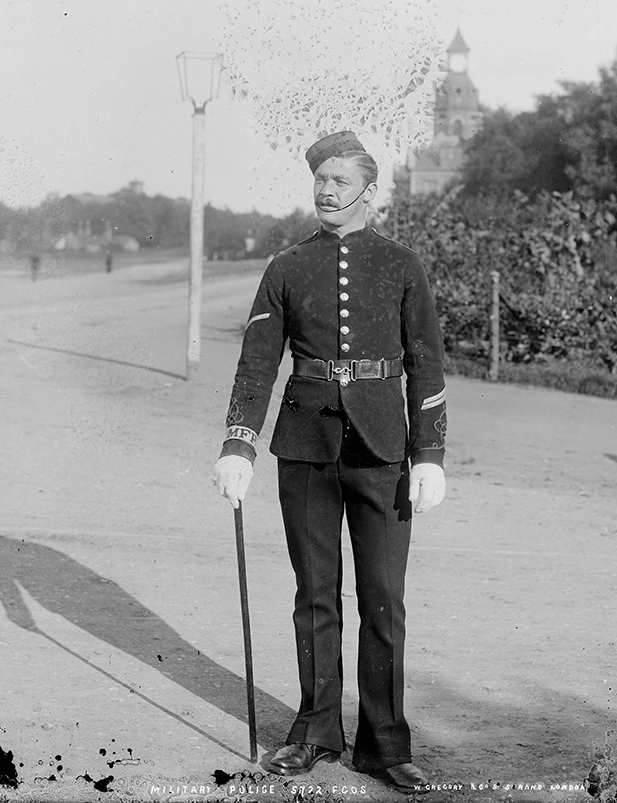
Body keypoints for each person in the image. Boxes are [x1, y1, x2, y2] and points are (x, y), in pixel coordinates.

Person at [212, 130, 447, 794]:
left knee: (383, 599)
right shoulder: (287, 268)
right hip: (305, 447)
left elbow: (426, 359)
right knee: (313, 593)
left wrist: (428, 454)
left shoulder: (401, 266)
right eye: (319, 179)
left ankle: (385, 744)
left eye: (340, 181)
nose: (325, 190)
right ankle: (315, 731)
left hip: (382, 451)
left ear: (369, 191)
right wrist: (238, 443)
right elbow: (258, 362)